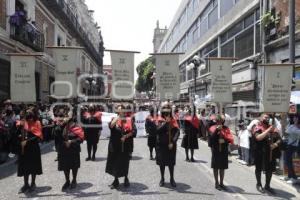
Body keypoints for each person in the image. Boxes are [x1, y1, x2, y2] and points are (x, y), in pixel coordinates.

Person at [15, 108, 43, 193]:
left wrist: (27, 141)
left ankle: (33, 183)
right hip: (24, 149)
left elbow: (38, 136)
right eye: (28, 117)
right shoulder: (22, 123)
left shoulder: (37, 123)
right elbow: (16, 134)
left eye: (31, 116)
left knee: (33, 167)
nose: (30, 119)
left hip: (33, 148)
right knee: (24, 167)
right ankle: (25, 184)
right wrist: (19, 128)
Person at [105, 104, 133, 189]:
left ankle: (126, 178)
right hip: (115, 146)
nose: (121, 111)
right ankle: (116, 180)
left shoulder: (129, 120)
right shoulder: (114, 119)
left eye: (122, 110)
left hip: (125, 145)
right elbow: (111, 126)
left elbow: (134, 132)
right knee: (115, 163)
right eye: (119, 110)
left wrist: (126, 136)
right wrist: (117, 118)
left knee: (125, 163)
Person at [254, 113, 282, 194]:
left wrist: (275, 144)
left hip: (270, 153)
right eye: (265, 117)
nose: (267, 119)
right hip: (260, 152)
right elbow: (258, 137)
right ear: (261, 118)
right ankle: (259, 184)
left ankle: (267, 185)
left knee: (269, 170)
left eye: (268, 118)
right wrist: (268, 130)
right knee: (258, 168)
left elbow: (280, 139)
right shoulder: (257, 127)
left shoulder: (272, 128)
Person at [57, 116, 84, 191]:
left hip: (74, 150)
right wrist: (61, 125)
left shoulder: (77, 127)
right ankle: (67, 181)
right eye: (68, 123)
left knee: (74, 166)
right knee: (65, 166)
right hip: (64, 150)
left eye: (70, 123)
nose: (70, 124)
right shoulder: (62, 127)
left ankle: (74, 180)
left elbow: (81, 139)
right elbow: (56, 135)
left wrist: (71, 142)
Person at [156, 103, 180, 187]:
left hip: (171, 146)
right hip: (161, 145)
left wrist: (173, 142)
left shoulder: (173, 120)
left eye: (168, 110)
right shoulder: (159, 119)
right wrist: (166, 123)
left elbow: (177, 132)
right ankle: (162, 178)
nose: (166, 112)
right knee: (162, 163)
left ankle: (172, 178)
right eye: (165, 110)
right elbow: (157, 130)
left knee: (171, 163)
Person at [208, 115, 234, 190]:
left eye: (222, 120)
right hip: (216, 149)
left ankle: (221, 183)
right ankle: (216, 183)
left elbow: (230, 138)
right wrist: (216, 130)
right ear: (216, 121)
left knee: (222, 167)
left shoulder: (226, 128)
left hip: (223, 149)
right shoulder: (212, 128)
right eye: (219, 120)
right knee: (216, 167)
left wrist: (224, 141)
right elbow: (211, 139)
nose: (220, 121)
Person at [284, 114, 300, 184]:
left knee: (292, 162)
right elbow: (285, 134)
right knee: (287, 161)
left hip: (295, 147)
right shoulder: (291, 125)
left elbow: (288, 133)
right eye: (294, 117)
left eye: (296, 118)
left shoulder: (297, 127)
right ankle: (290, 175)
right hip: (289, 145)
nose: (294, 119)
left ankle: (294, 177)